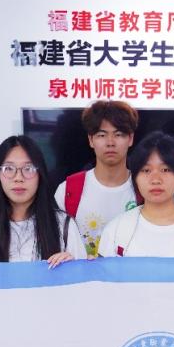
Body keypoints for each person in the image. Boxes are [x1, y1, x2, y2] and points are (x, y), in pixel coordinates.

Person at [0, 135, 85, 269]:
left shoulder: (64, 225)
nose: (18, 178)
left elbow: (84, 278)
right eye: (9, 169)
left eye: (28, 169)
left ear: (40, 174)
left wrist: (72, 267)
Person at [97, 131, 174, 258]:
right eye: (146, 170)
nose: (156, 180)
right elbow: (102, 271)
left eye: (165, 170)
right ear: (135, 178)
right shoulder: (116, 230)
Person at [54, 100, 139, 256]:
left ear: (131, 139)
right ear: (91, 140)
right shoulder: (68, 190)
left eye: (118, 134)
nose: (110, 142)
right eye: (102, 135)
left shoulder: (144, 188)